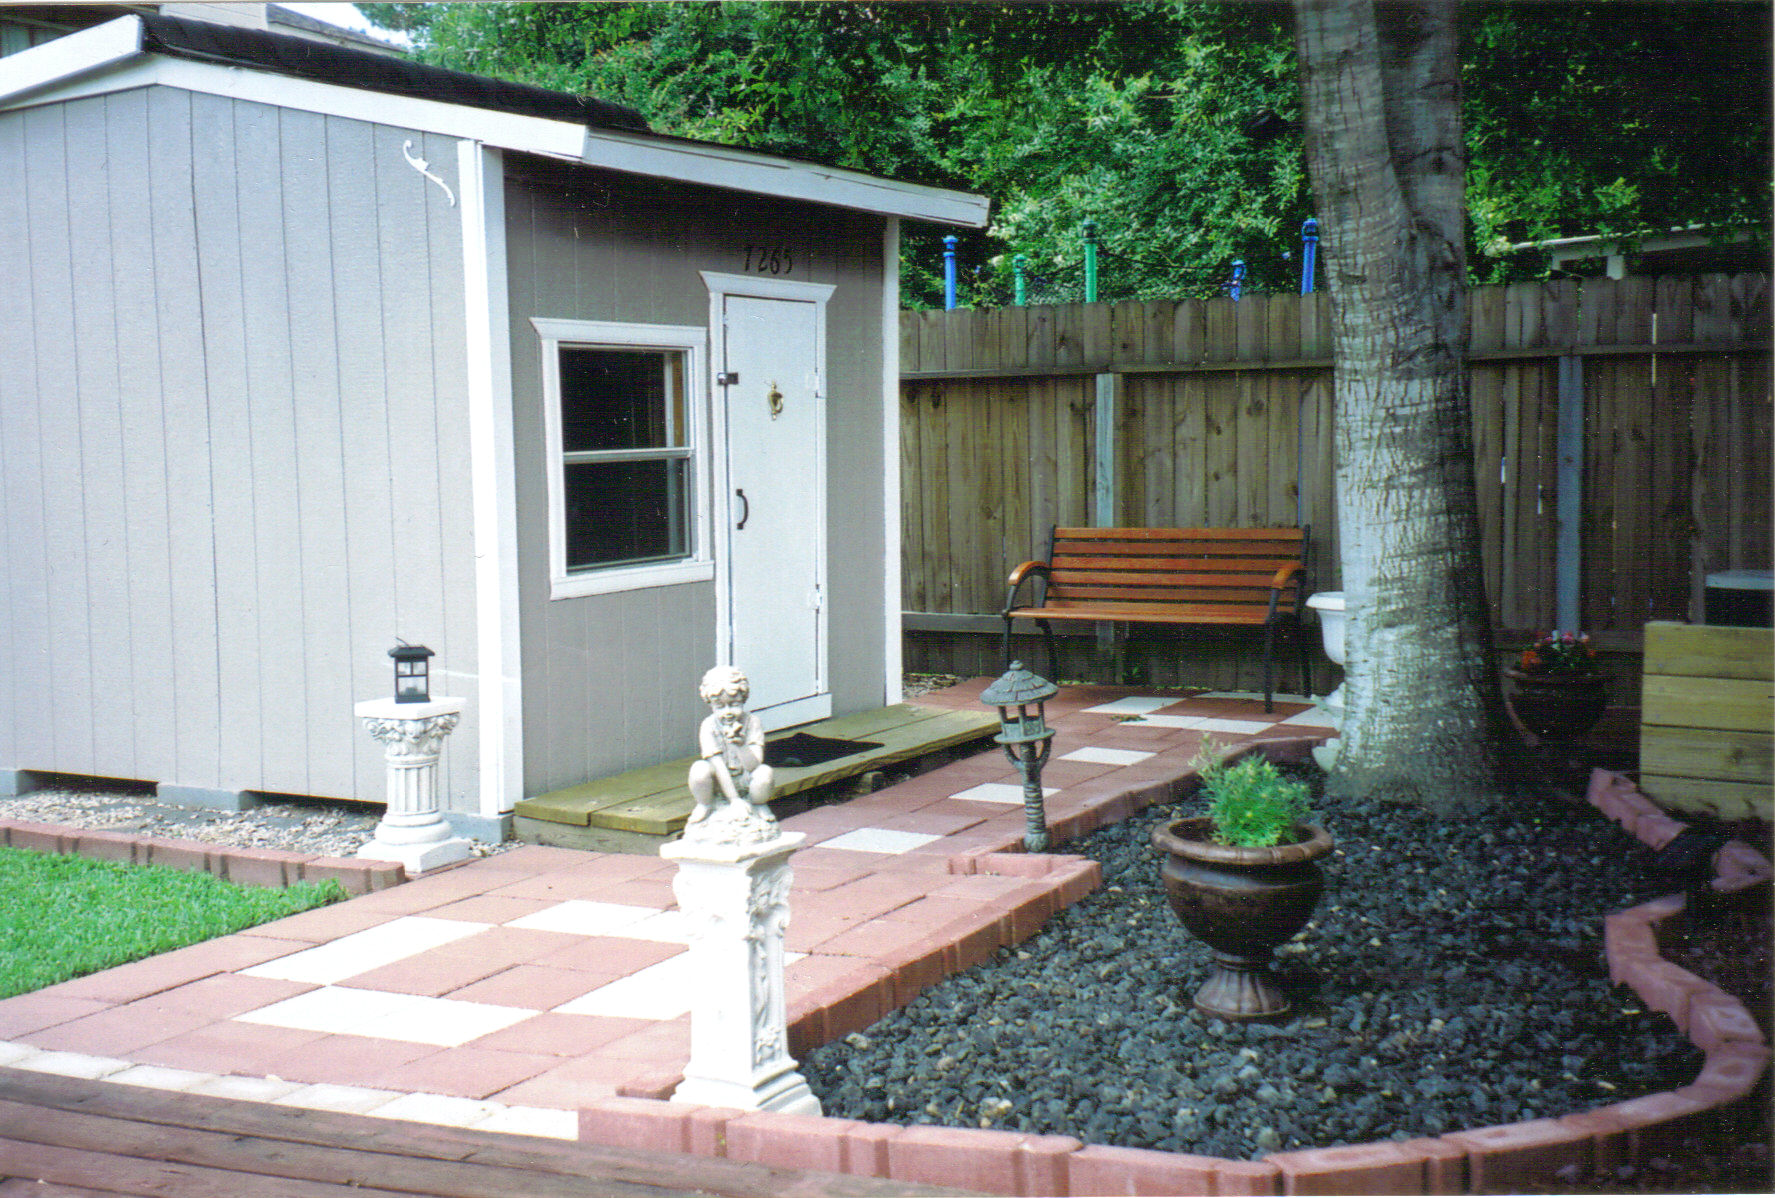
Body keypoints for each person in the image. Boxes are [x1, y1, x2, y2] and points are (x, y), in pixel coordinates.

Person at [686, 665, 776, 833]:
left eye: (734, 704)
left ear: (743, 700)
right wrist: (734, 800)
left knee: (765, 773)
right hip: (719, 781)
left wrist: (741, 745)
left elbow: (753, 766)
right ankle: (705, 804)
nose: (728, 712)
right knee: (699, 769)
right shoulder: (708, 726)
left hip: (745, 778)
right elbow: (717, 764)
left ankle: (759, 804)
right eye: (720, 707)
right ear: (710, 704)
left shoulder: (752, 722)